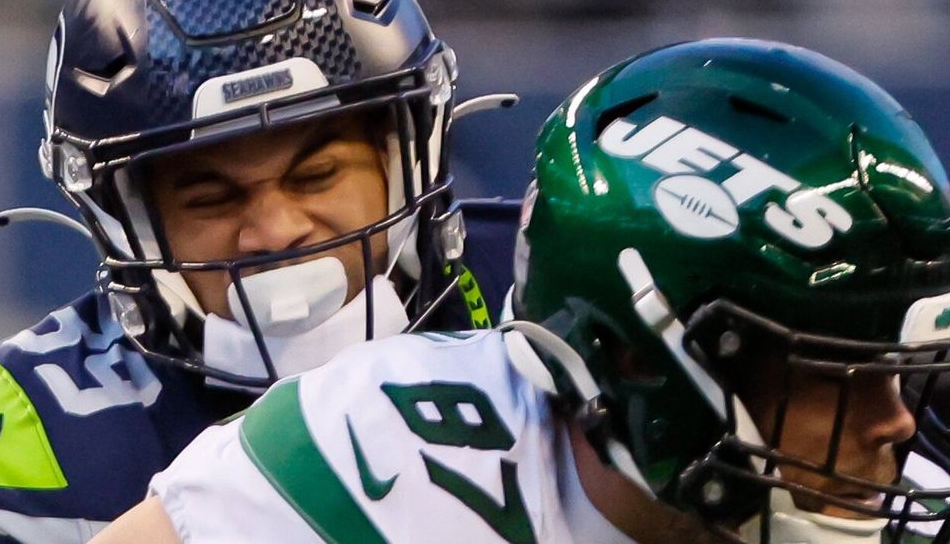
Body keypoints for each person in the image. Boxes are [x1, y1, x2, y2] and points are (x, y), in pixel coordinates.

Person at [92, 38, 950, 543]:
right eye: (836, 375)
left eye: (890, 366)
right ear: (634, 362)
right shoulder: (379, 457)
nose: (896, 422)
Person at [0, 0, 520, 542]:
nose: (277, 230)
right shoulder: (44, 424)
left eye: (318, 175)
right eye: (212, 198)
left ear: (402, 158)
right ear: (128, 222)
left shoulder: (539, 302)